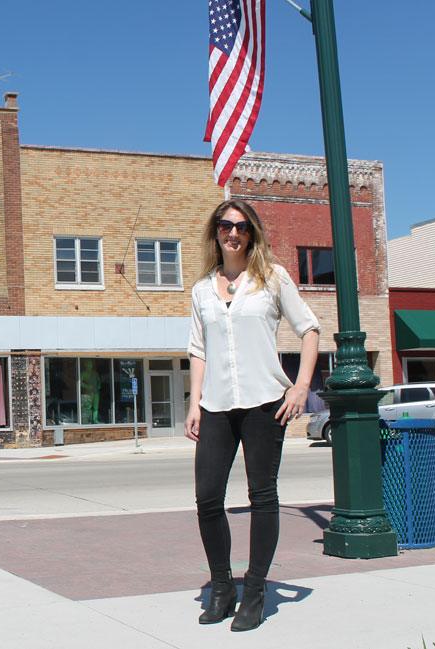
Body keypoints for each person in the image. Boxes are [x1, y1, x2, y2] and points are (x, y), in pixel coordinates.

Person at [185, 199, 320, 632]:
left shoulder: (272, 278)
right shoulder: (202, 289)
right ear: (216, 232)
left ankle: (256, 591)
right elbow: (199, 350)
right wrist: (194, 403)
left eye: (242, 227)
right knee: (207, 497)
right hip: (217, 407)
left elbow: (310, 329)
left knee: (262, 496)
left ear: (252, 233)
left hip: (265, 403)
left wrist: (300, 388)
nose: (233, 233)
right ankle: (223, 587)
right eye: (226, 226)